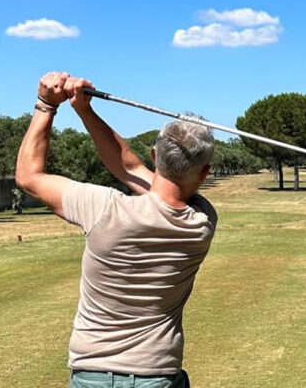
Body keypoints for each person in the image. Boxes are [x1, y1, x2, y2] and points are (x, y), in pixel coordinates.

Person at [15, 72, 217, 387]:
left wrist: (46, 105)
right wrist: (85, 111)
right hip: (158, 375)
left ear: (155, 156)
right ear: (204, 172)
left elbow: (29, 177)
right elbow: (132, 170)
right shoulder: (202, 221)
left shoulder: (104, 209)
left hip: (91, 375)